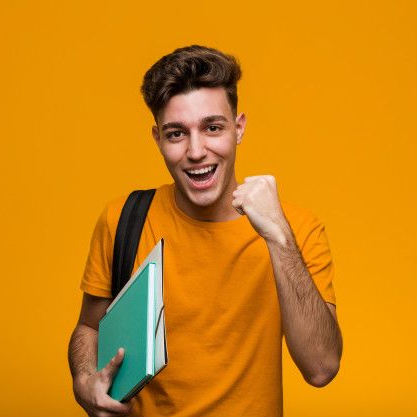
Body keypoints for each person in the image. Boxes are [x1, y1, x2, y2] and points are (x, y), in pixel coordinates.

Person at [68, 45, 343, 417]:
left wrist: (277, 236)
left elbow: (322, 368)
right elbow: (89, 327)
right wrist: (85, 381)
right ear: (158, 139)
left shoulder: (296, 230)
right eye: (177, 133)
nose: (196, 151)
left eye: (212, 128)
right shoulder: (123, 220)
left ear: (238, 128)